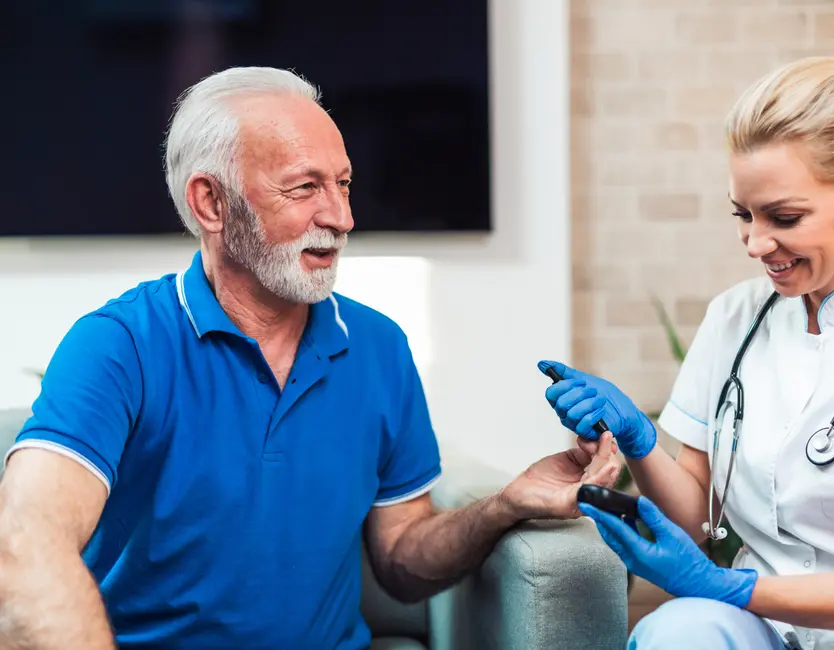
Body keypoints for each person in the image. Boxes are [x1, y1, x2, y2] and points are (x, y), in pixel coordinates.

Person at [0, 66, 621, 649]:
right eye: (304, 188)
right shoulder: (119, 345)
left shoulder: (379, 347)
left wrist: (506, 504)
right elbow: (26, 538)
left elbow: (402, 558)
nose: (342, 217)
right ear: (211, 204)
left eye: (344, 183)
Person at [541, 57, 834, 649]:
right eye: (744, 214)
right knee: (680, 634)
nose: (757, 243)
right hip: (766, 627)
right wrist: (640, 440)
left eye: (785, 217)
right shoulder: (735, 316)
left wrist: (729, 587)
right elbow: (701, 526)